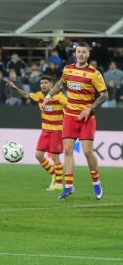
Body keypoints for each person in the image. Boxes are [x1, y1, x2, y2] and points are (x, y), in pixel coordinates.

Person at [41, 42, 108, 200]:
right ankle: (69, 187)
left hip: (86, 117)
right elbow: (60, 84)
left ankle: (96, 183)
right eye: (79, 52)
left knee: (86, 151)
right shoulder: (68, 69)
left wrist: (90, 108)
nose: (81, 54)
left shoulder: (94, 73)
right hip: (70, 117)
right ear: (75, 53)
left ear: (88, 54)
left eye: (84, 52)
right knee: (68, 151)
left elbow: (104, 95)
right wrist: (47, 98)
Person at [7, 75, 67, 191]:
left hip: (57, 131)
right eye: (41, 83)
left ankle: (59, 184)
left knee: (55, 157)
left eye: (45, 83)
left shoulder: (59, 97)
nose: (43, 85)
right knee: (38, 155)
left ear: (52, 84)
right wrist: (15, 88)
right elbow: (26, 95)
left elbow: (70, 106)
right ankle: (54, 175)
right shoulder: (39, 96)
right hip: (45, 131)